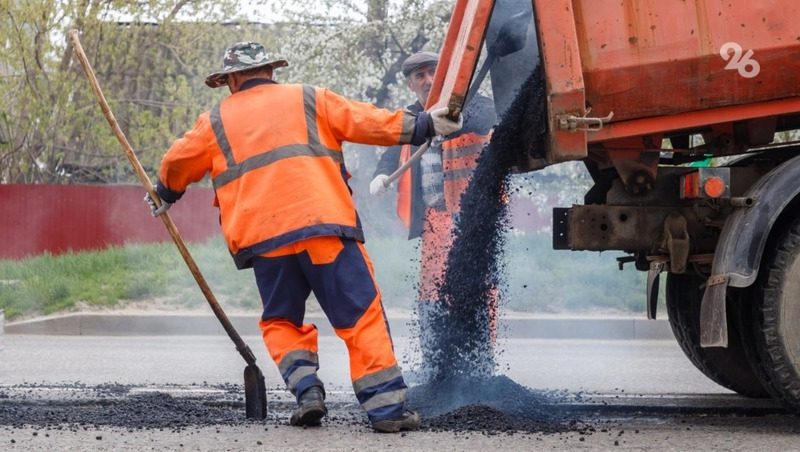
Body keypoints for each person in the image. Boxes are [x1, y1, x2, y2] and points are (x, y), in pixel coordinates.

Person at [145, 42, 462, 432]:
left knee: (281, 319)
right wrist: (425, 125)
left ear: (230, 80)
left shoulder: (214, 121)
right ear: (270, 71)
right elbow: (367, 121)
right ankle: (387, 411)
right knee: (360, 315)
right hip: (323, 227)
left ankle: (307, 390)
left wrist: (165, 192)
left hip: (264, 242)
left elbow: (178, 162)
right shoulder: (309, 98)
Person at [369, 52, 498, 362]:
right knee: (433, 289)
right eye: (419, 76)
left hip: (472, 218)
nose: (427, 80)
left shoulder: (471, 103)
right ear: (411, 84)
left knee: (480, 287)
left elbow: (489, 118)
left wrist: (455, 118)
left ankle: (481, 358)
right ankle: (436, 357)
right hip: (435, 218)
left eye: (432, 73)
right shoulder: (411, 119)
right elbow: (391, 150)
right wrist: (380, 176)